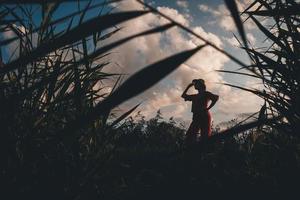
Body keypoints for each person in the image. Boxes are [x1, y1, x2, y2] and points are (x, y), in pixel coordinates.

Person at [181, 79, 219, 143]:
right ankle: (194, 150)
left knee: (205, 136)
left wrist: (208, 108)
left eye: (197, 83)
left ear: (201, 85)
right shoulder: (195, 96)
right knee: (190, 135)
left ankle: (203, 151)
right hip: (196, 116)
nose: (195, 85)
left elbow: (216, 98)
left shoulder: (206, 93)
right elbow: (183, 96)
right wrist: (188, 86)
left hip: (204, 115)